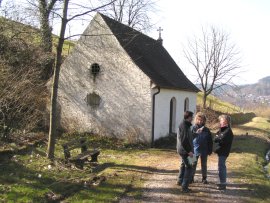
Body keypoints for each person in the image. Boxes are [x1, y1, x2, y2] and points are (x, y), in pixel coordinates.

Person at [191, 112, 213, 184]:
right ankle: (191, 178)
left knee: (204, 164)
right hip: (193, 149)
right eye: (198, 120)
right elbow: (189, 139)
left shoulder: (207, 130)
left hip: (204, 150)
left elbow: (210, 141)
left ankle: (204, 178)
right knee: (192, 164)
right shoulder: (193, 128)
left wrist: (210, 150)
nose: (200, 121)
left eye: (202, 120)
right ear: (196, 120)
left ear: (204, 121)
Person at [214, 114, 234, 190]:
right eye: (220, 121)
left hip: (224, 152)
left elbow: (221, 140)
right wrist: (218, 137)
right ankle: (222, 182)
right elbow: (215, 138)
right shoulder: (222, 130)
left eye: (222, 121)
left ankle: (223, 183)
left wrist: (218, 137)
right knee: (220, 166)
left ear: (226, 122)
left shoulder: (228, 131)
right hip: (221, 151)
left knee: (221, 167)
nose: (221, 122)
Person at [176, 111, 194, 193]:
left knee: (184, 165)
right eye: (191, 117)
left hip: (185, 150)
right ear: (188, 117)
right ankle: (184, 187)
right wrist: (189, 151)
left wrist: (196, 133)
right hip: (185, 151)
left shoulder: (186, 125)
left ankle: (180, 181)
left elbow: (188, 137)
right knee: (190, 166)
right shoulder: (184, 126)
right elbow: (184, 141)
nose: (192, 118)